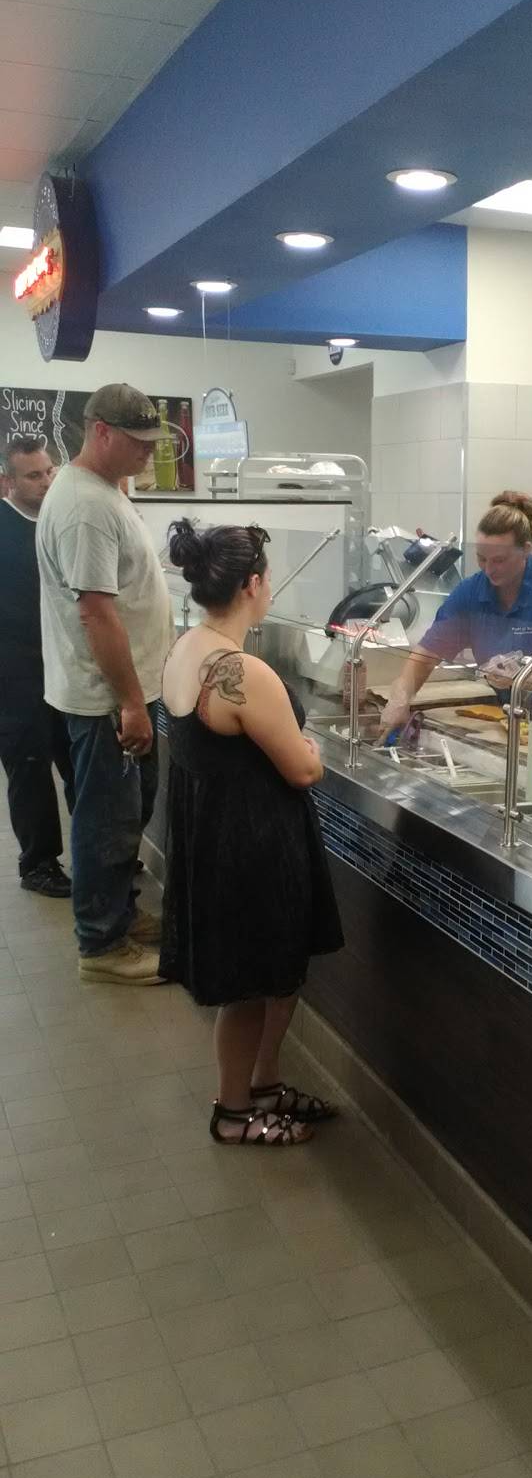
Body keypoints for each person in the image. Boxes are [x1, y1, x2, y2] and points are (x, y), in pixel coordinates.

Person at [161, 520, 343, 1146]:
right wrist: (312, 751)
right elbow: (302, 769)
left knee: (274, 973)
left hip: (215, 838)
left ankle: (264, 1084)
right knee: (246, 985)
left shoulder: (186, 648)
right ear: (253, 585)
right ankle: (233, 1112)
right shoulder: (241, 671)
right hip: (252, 846)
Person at [36, 384, 175, 985]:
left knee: (127, 814)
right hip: (106, 702)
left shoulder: (105, 490)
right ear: (101, 432)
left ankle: (119, 914)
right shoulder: (85, 507)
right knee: (106, 823)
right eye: (138, 442)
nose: (148, 452)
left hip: (122, 695)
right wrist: (130, 703)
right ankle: (101, 944)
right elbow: (96, 613)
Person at [380, 491, 532, 732]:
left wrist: (523, 677)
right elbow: (427, 654)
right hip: (519, 706)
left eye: (499, 560)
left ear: (526, 550)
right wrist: (401, 696)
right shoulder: (471, 592)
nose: (489, 569)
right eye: (482, 559)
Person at [0, 438, 75, 896]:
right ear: (7, 480)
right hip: (13, 673)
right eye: (33, 475)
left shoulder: (58, 519)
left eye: (49, 472)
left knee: (77, 762)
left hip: (62, 666)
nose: (46, 482)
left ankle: (94, 850)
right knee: (29, 770)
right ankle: (38, 864)